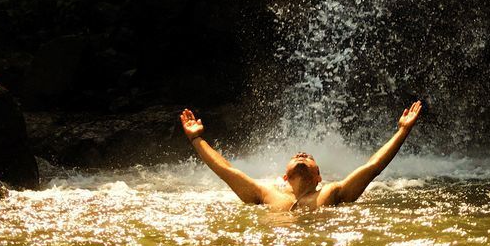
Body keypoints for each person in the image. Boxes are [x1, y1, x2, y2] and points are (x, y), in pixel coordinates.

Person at [178, 101, 423, 211]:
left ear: (318, 177)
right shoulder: (266, 194)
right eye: (297, 156)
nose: (302, 154)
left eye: (309, 158)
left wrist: (403, 130)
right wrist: (196, 139)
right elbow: (226, 171)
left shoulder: (331, 193)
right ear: (284, 176)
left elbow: (374, 166)